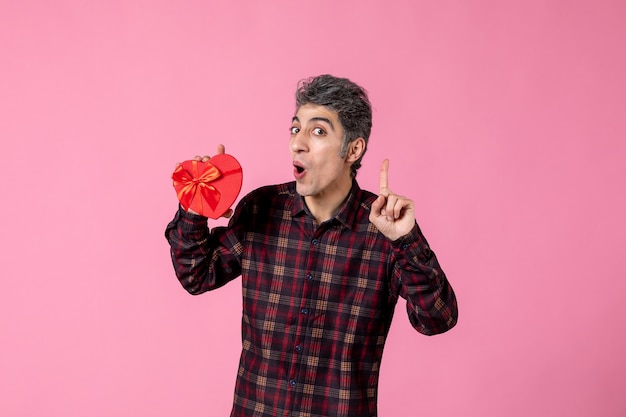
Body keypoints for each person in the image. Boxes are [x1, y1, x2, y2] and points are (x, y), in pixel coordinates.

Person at [165, 74, 458, 417]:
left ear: (353, 149)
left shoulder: (384, 229)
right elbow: (196, 276)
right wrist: (195, 206)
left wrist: (406, 241)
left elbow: (437, 319)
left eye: (318, 131)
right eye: (295, 129)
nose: (297, 143)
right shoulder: (262, 208)